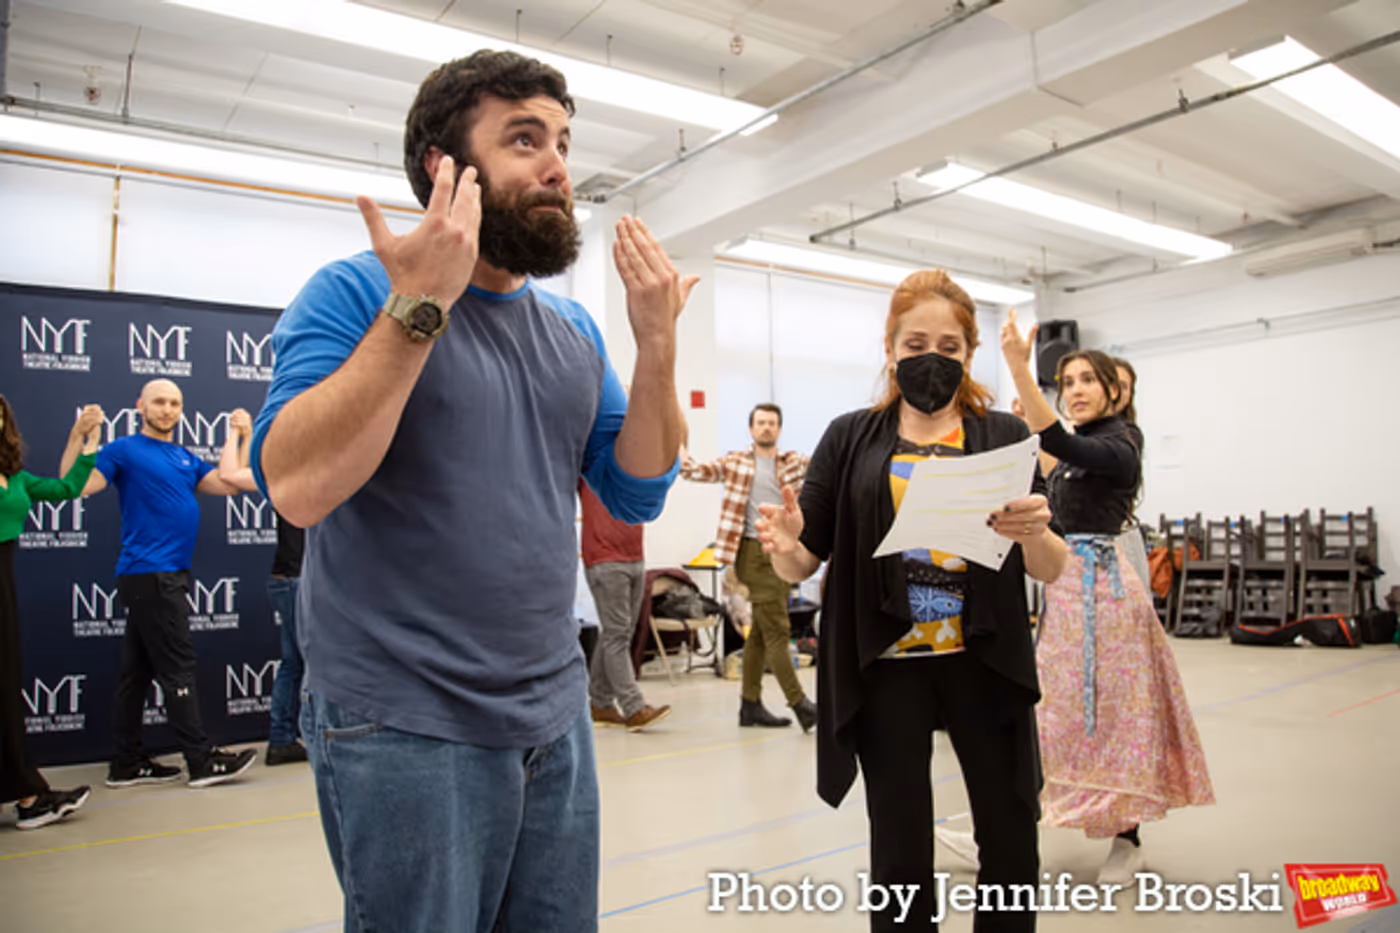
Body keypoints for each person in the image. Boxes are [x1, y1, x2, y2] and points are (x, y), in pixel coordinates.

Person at [249, 50, 690, 931]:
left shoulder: (571, 329)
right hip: (403, 719)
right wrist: (420, 304)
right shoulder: (354, 291)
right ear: (443, 167)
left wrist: (656, 347)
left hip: (553, 712)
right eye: (524, 139)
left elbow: (636, 491)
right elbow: (297, 486)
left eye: (562, 142)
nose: (557, 166)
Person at [757, 270, 1068, 932]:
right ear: (890, 348)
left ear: (970, 353)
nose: (933, 358)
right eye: (916, 343)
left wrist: (1036, 530)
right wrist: (785, 544)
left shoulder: (1005, 433)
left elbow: (1051, 565)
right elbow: (803, 559)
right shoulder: (850, 437)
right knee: (899, 844)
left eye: (950, 346)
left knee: (1010, 830)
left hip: (984, 658)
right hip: (888, 663)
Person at [1001, 314, 1214, 886]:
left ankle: (1127, 838)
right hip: (1064, 589)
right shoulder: (1073, 454)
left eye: (1086, 380)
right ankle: (1019, 823)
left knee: (1120, 712)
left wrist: (1020, 368)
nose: (1074, 390)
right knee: (1054, 710)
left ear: (1113, 391)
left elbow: (1058, 441)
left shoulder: (1122, 443)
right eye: (1066, 382)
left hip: (1110, 595)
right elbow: (1043, 468)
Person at [65, 379, 257, 789]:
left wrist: (238, 436)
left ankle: (126, 762)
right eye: (159, 402)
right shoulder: (123, 449)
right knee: (177, 668)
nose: (167, 409)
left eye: (174, 403)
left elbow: (230, 484)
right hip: (151, 574)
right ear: (141, 405)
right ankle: (200, 760)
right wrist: (78, 436)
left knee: (136, 673)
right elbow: (75, 484)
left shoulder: (184, 457)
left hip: (164, 575)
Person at [680, 404, 816, 731]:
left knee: (761, 633)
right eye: (761, 423)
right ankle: (801, 704)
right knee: (777, 628)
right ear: (751, 429)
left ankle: (750, 704)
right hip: (752, 552)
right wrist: (678, 446)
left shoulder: (793, 462)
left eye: (772, 423)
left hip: (783, 550)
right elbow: (695, 471)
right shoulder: (735, 462)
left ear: (779, 429)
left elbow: (827, 468)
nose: (767, 427)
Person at [1, 397, 102, 829]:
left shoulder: (15, 478)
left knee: (5, 690)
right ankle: (29, 795)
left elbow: (68, 490)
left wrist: (86, 441)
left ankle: (28, 795)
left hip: (3, 584)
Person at [217, 408, 307, 766]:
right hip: (298, 581)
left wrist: (244, 435)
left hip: (291, 580)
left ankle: (285, 738)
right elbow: (229, 476)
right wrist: (239, 434)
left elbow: (231, 474)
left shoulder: (289, 474)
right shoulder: (293, 474)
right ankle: (296, 736)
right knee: (308, 663)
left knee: (294, 662)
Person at [580, 480, 670, 731]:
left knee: (617, 635)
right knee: (617, 635)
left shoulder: (631, 466)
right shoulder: (587, 465)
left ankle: (600, 704)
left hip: (634, 556)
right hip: (605, 559)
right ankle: (633, 707)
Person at [1109, 358, 1151, 592]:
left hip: (1119, 540)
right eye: (1111, 382)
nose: (1115, 392)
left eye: (1124, 386)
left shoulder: (1129, 436)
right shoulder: (1075, 436)